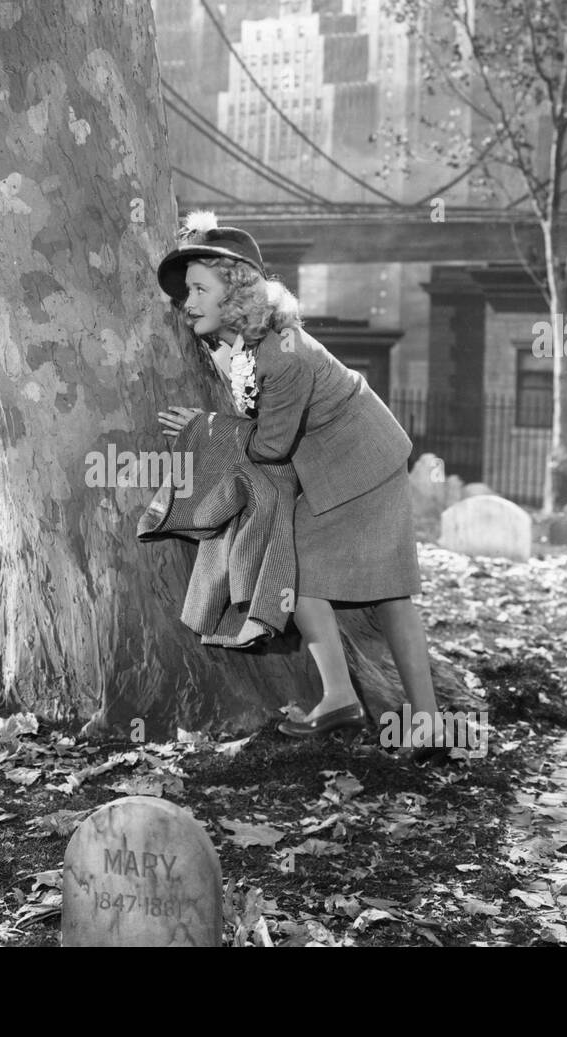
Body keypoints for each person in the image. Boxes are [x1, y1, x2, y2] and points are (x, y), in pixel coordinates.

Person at [155, 212, 449, 765]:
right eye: (187, 290)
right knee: (346, 585)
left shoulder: (278, 356)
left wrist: (206, 429)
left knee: (369, 586)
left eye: (199, 289)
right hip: (342, 465)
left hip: (362, 465)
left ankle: (392, 711)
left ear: (236, 292)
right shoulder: (253, 342)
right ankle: (365, 705)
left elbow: (270, 446)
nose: (187, 301)